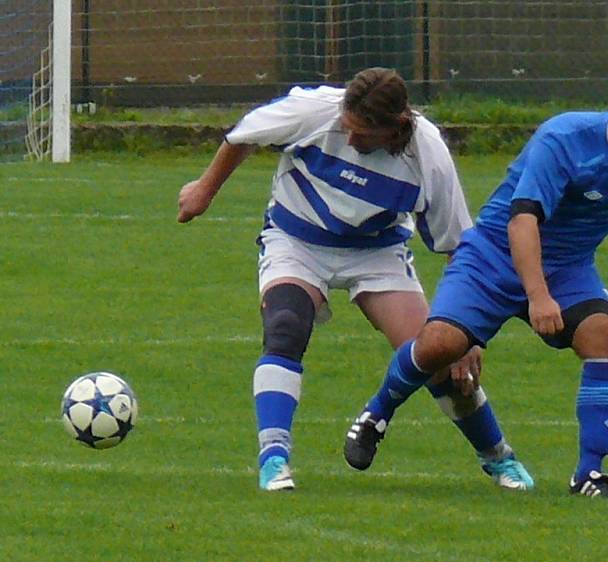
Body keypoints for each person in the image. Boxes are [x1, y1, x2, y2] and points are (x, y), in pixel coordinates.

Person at [343, 79, 608, 497]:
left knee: (605, 338)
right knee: (440, 345)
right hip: (493, 257)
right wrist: (538, 297)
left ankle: (589, 475)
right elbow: (522, 220)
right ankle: (377, 413)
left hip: (567, 269)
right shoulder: (564, 139)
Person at [177, 67, 533, 491]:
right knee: (286, 327)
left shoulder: (428, 152)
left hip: (377, 252)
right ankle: (274, 460)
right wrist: (204, 190)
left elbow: (459, 245)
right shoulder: (315, 110)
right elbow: (242, 136)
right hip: (297, 240)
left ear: (395, 127)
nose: (349, 139)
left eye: (362, 134)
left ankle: (498, 457)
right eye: (346, 127)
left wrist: (465, 331)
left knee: (440, 355)